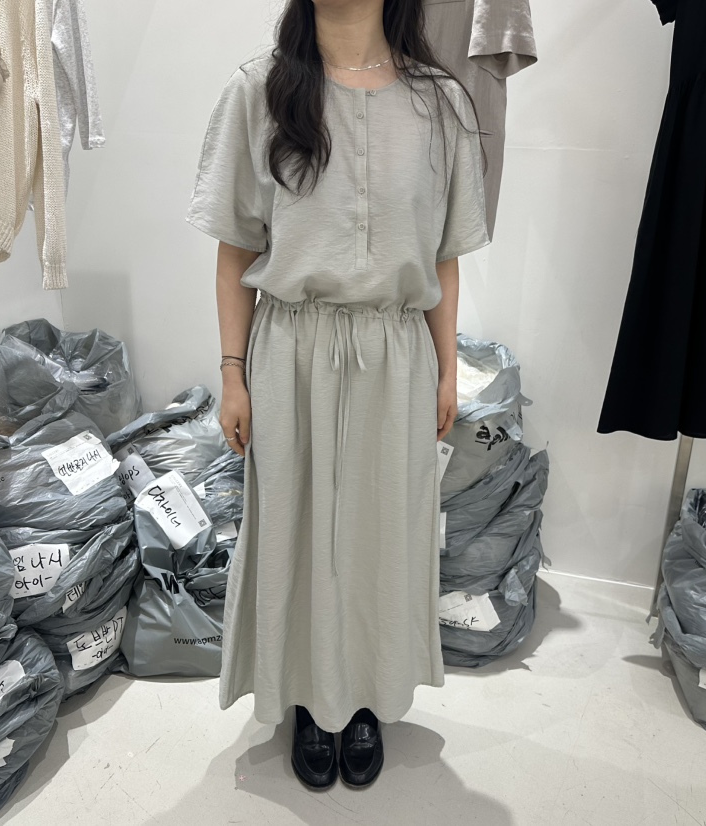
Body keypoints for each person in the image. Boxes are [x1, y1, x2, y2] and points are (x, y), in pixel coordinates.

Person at [186, 0, 490, 791]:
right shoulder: (259, 91)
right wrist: (231, 372)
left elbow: (445, 254)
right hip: (290, 349)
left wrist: (446, 368)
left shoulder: (439, 103)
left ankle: (363, 700)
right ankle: (308, 700)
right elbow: (234, 251)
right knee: (297, 532)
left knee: (382, 535)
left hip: (395, 353)